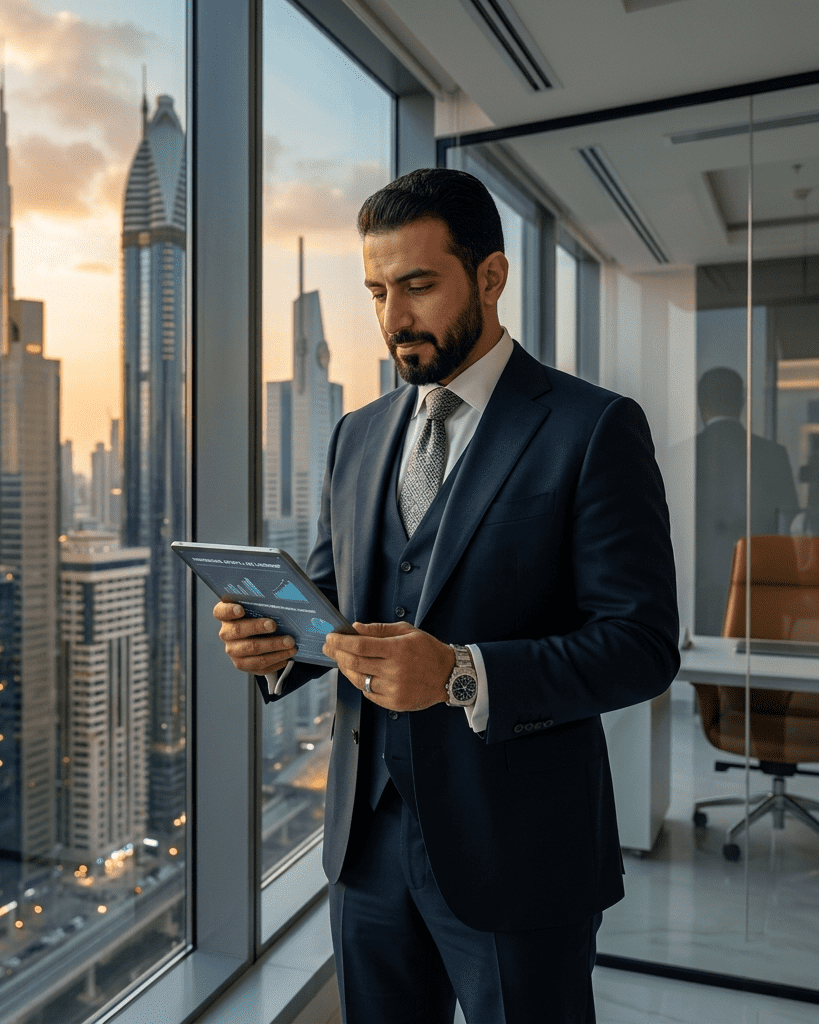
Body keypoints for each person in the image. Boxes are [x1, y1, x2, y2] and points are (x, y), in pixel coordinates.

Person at [214, 168, 679, 1023]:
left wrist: (463, 674)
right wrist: (280, 647)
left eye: (419, 285)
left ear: (491, 278)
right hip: (366, 846)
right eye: (378, 290)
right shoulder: (358, 435)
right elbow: (337, 599)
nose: (394, 317)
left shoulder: (593, 427)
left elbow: (642, 644)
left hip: (520, 850)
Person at [694, 366, 798, 635]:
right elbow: (788, 524)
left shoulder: (684, 457)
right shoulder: (774, 455)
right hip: (759, 584)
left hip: (695, 587)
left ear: (700, 404)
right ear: (741, 401)